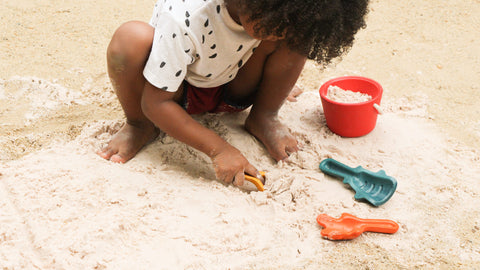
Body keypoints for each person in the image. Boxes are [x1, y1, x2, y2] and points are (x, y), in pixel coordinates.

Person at [98, 0, 369, 187]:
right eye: (277, 26)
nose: (280, 35)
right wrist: (219, 150)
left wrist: (274, 78)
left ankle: (264, 116)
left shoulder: (276, 13)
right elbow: (155, 103)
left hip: (233, 84)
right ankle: (138, 126)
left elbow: (288, 24)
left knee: (299, 37)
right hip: (176, 92)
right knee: (130, 39)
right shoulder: (186, 17)